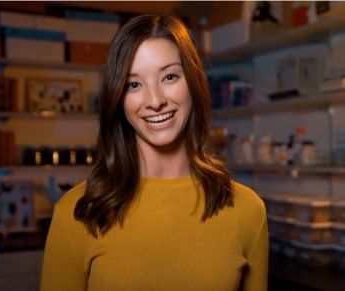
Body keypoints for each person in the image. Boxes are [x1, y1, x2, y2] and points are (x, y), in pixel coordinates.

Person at [40, 14, 268, 291]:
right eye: (134, 84)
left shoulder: (247, 210)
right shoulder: (77, 212)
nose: (155, 101)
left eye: (169, 76)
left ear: (193, 84)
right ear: (118, 99)